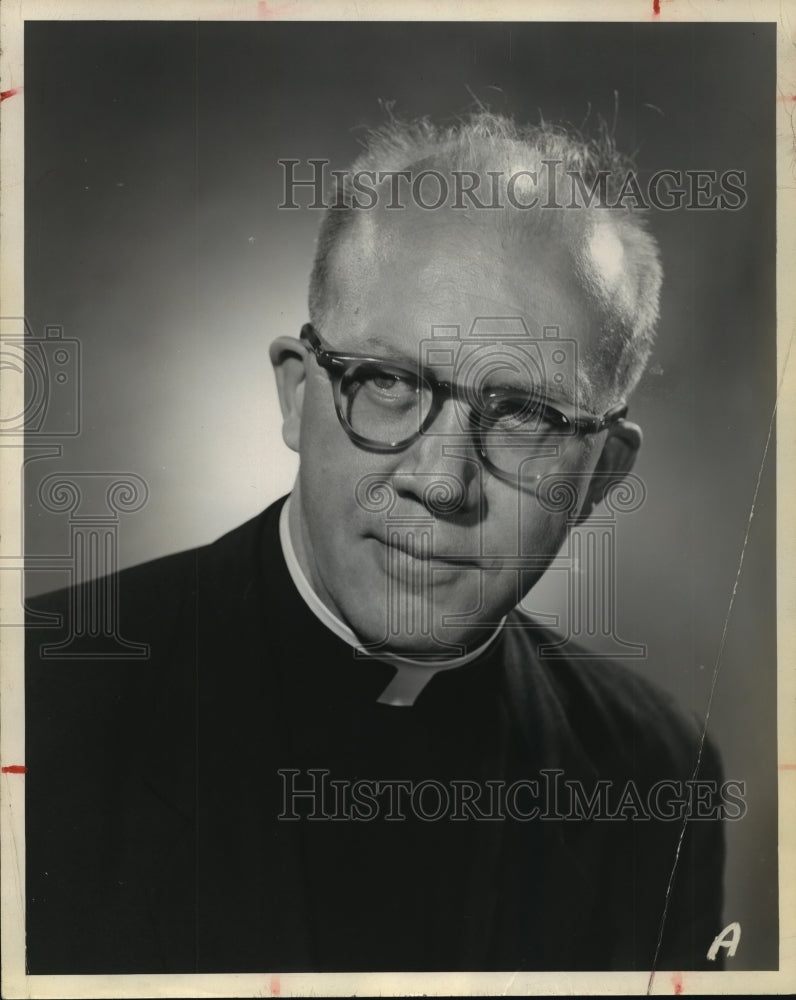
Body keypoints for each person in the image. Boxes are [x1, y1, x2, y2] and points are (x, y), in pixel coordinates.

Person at [25, 111, 725, 975]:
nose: (440, 481)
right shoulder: (32, 704)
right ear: (297, 394)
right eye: (389, 382)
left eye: (526, 414)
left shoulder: (658, 776)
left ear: (603, 476)